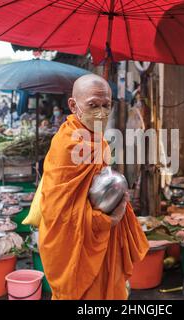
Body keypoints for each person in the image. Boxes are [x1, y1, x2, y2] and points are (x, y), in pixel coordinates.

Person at [38, 74, 149, 300]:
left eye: (106, 105)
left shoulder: (98, 140)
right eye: (93, 105)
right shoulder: (67, 144)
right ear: (73, 105)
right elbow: (58, 213)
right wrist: (108, 220)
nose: (101, 112)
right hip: (78, 248)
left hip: (103, 243)